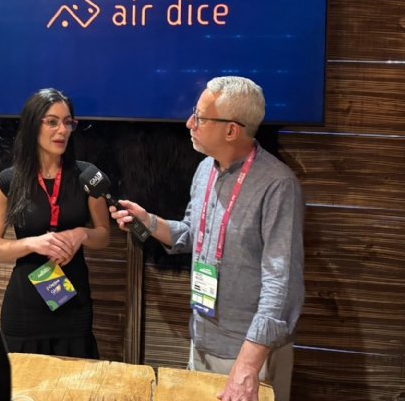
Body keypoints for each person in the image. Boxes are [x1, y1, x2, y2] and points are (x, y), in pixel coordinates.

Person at [110, 77, 304, 401]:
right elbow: (191, 233)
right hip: (201, 341)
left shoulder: (278, 186)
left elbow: (282, 286)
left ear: (231, 130)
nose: (189, 123)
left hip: (249, 358)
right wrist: (149, 222)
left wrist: (247, 366)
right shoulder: (205, 170)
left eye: (199, 117)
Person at [0, 88, 110, 358]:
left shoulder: (87, 175)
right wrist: (33, 243)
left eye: (68, 122)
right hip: (24, 309)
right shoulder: (8, 181)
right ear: (33, 125)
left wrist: (82, 234)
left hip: (74, 305)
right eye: (52, 122)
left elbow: (104, 235)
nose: (62, 130)